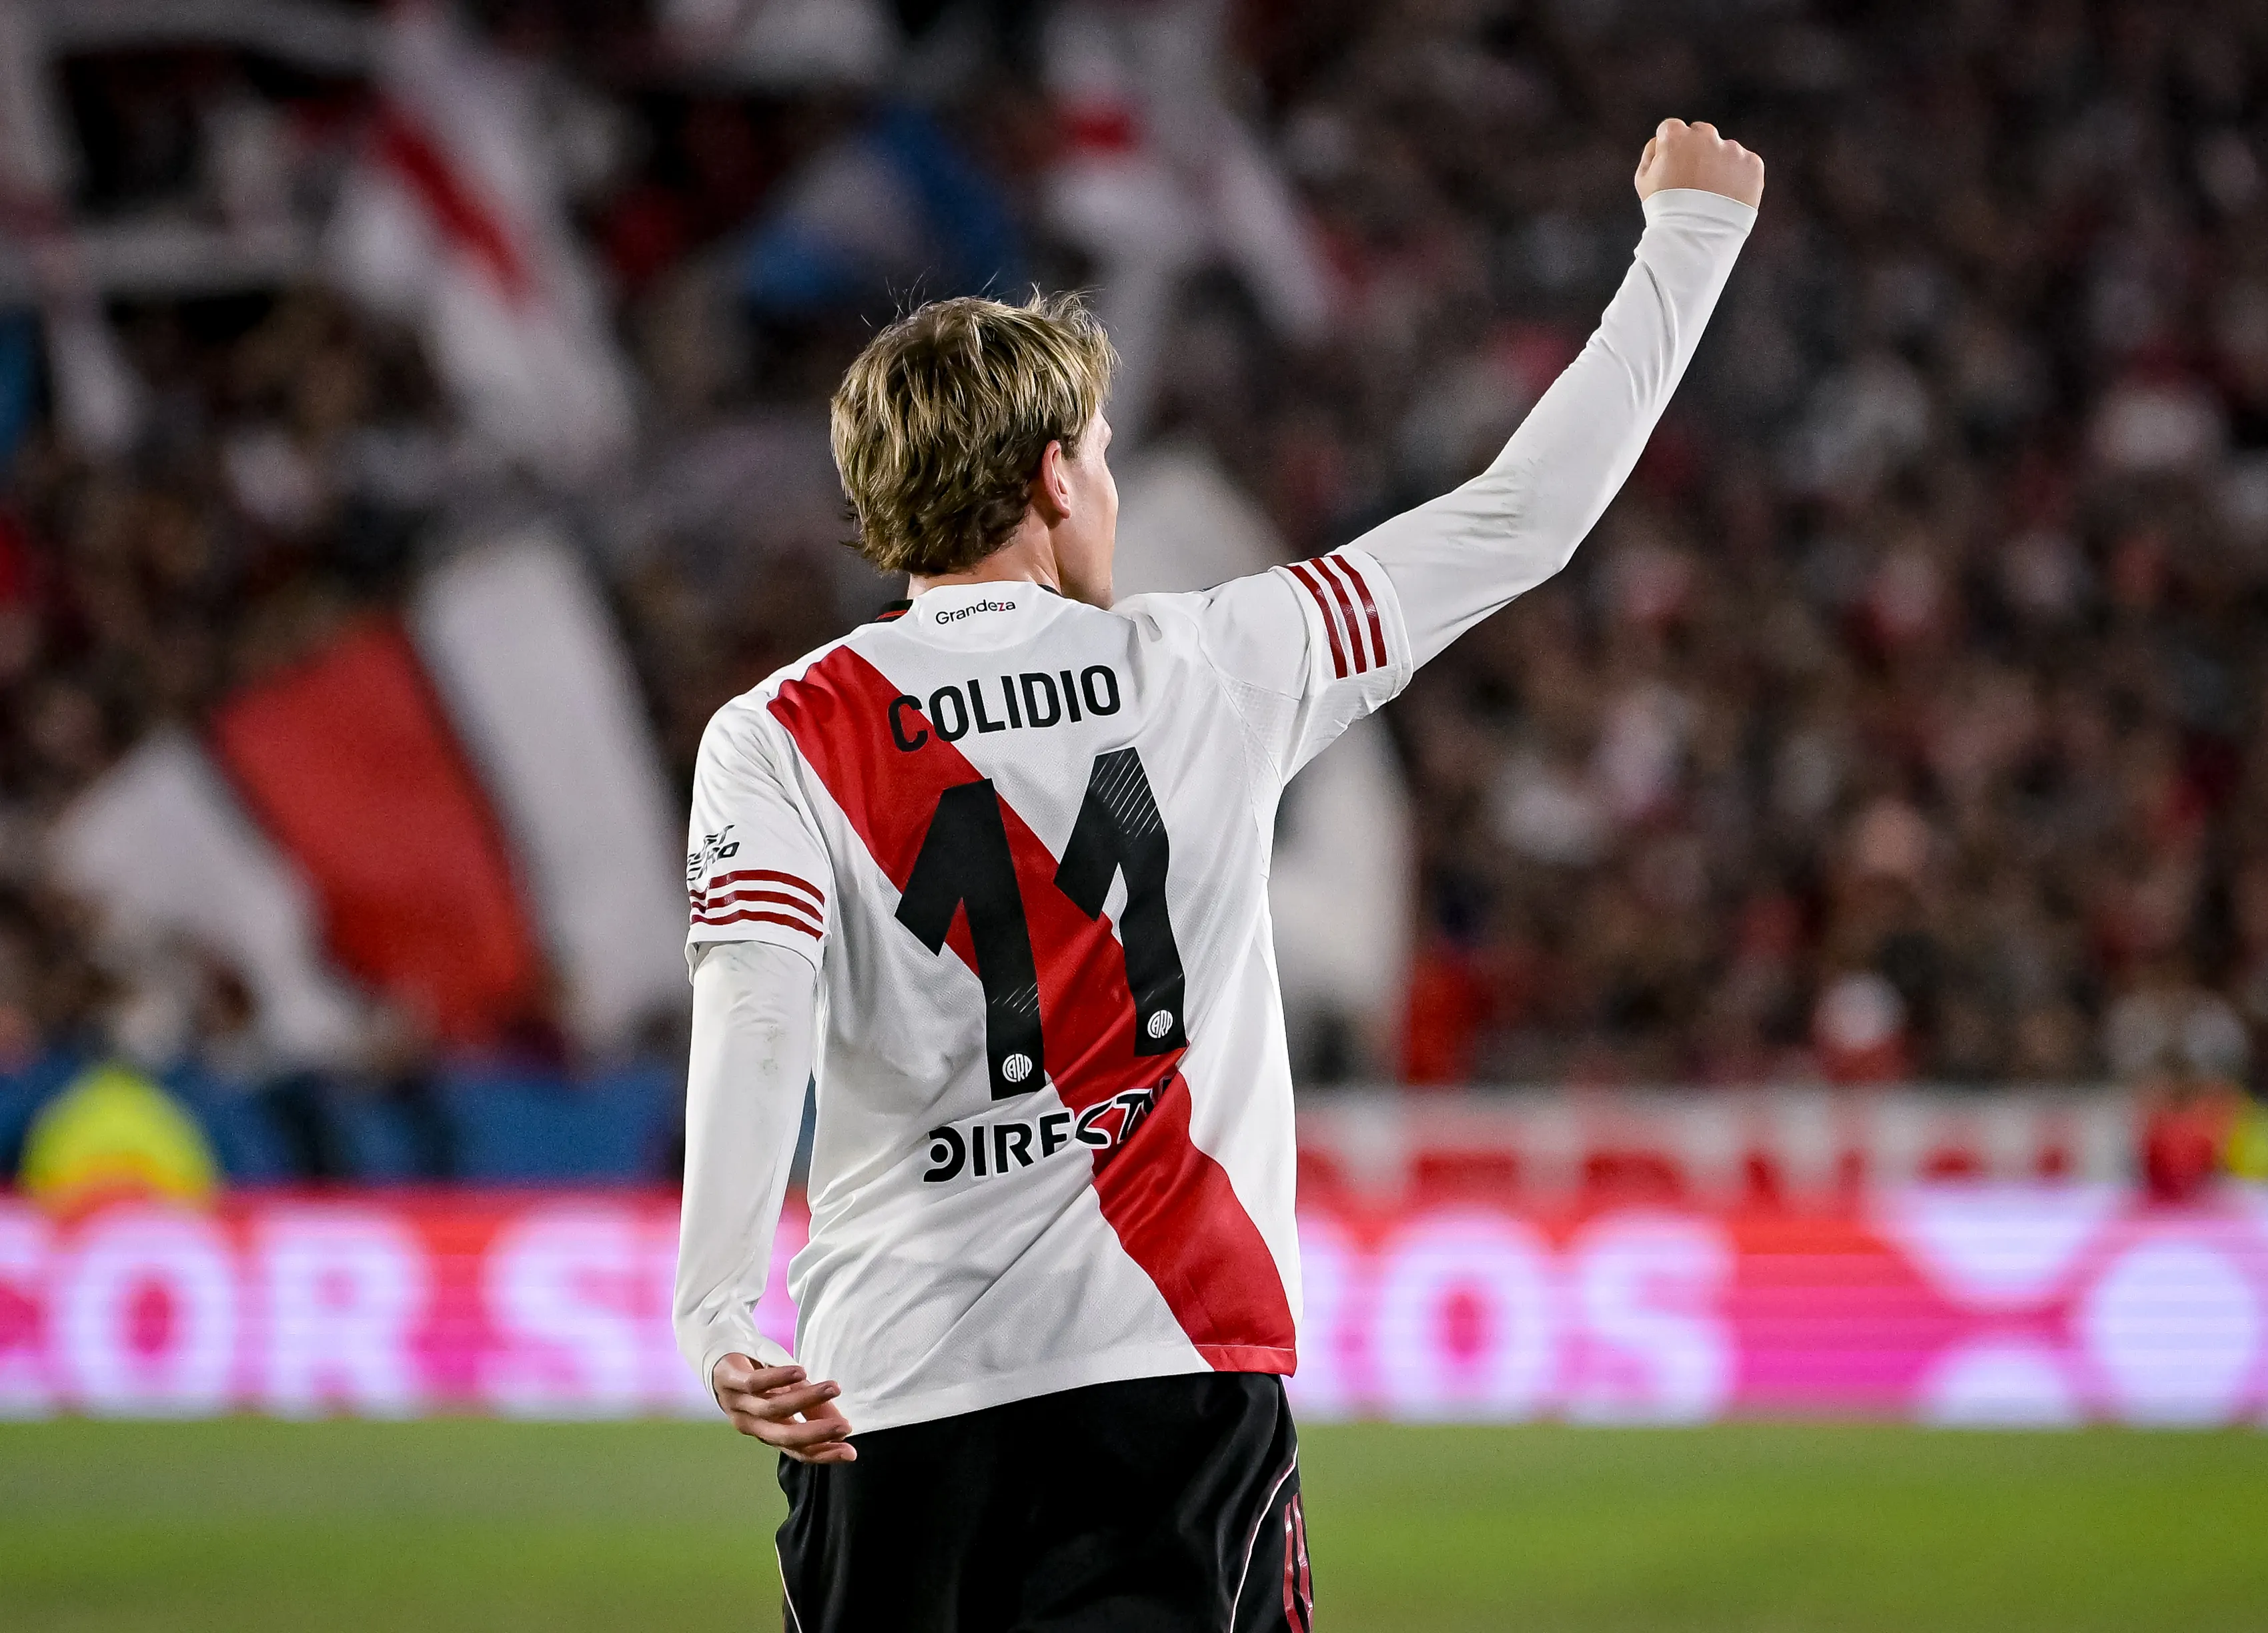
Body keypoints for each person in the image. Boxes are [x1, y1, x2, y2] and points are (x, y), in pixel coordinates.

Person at [674, 117, 1762, 1631]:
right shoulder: (1212, 661)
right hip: (1169, 1380)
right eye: (1105, 460)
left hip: (890, 1410)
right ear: (1055, 478)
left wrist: (717, 1305)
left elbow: (755, 1020)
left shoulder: (778, 731)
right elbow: (1523, 517)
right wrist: (1687, 242)